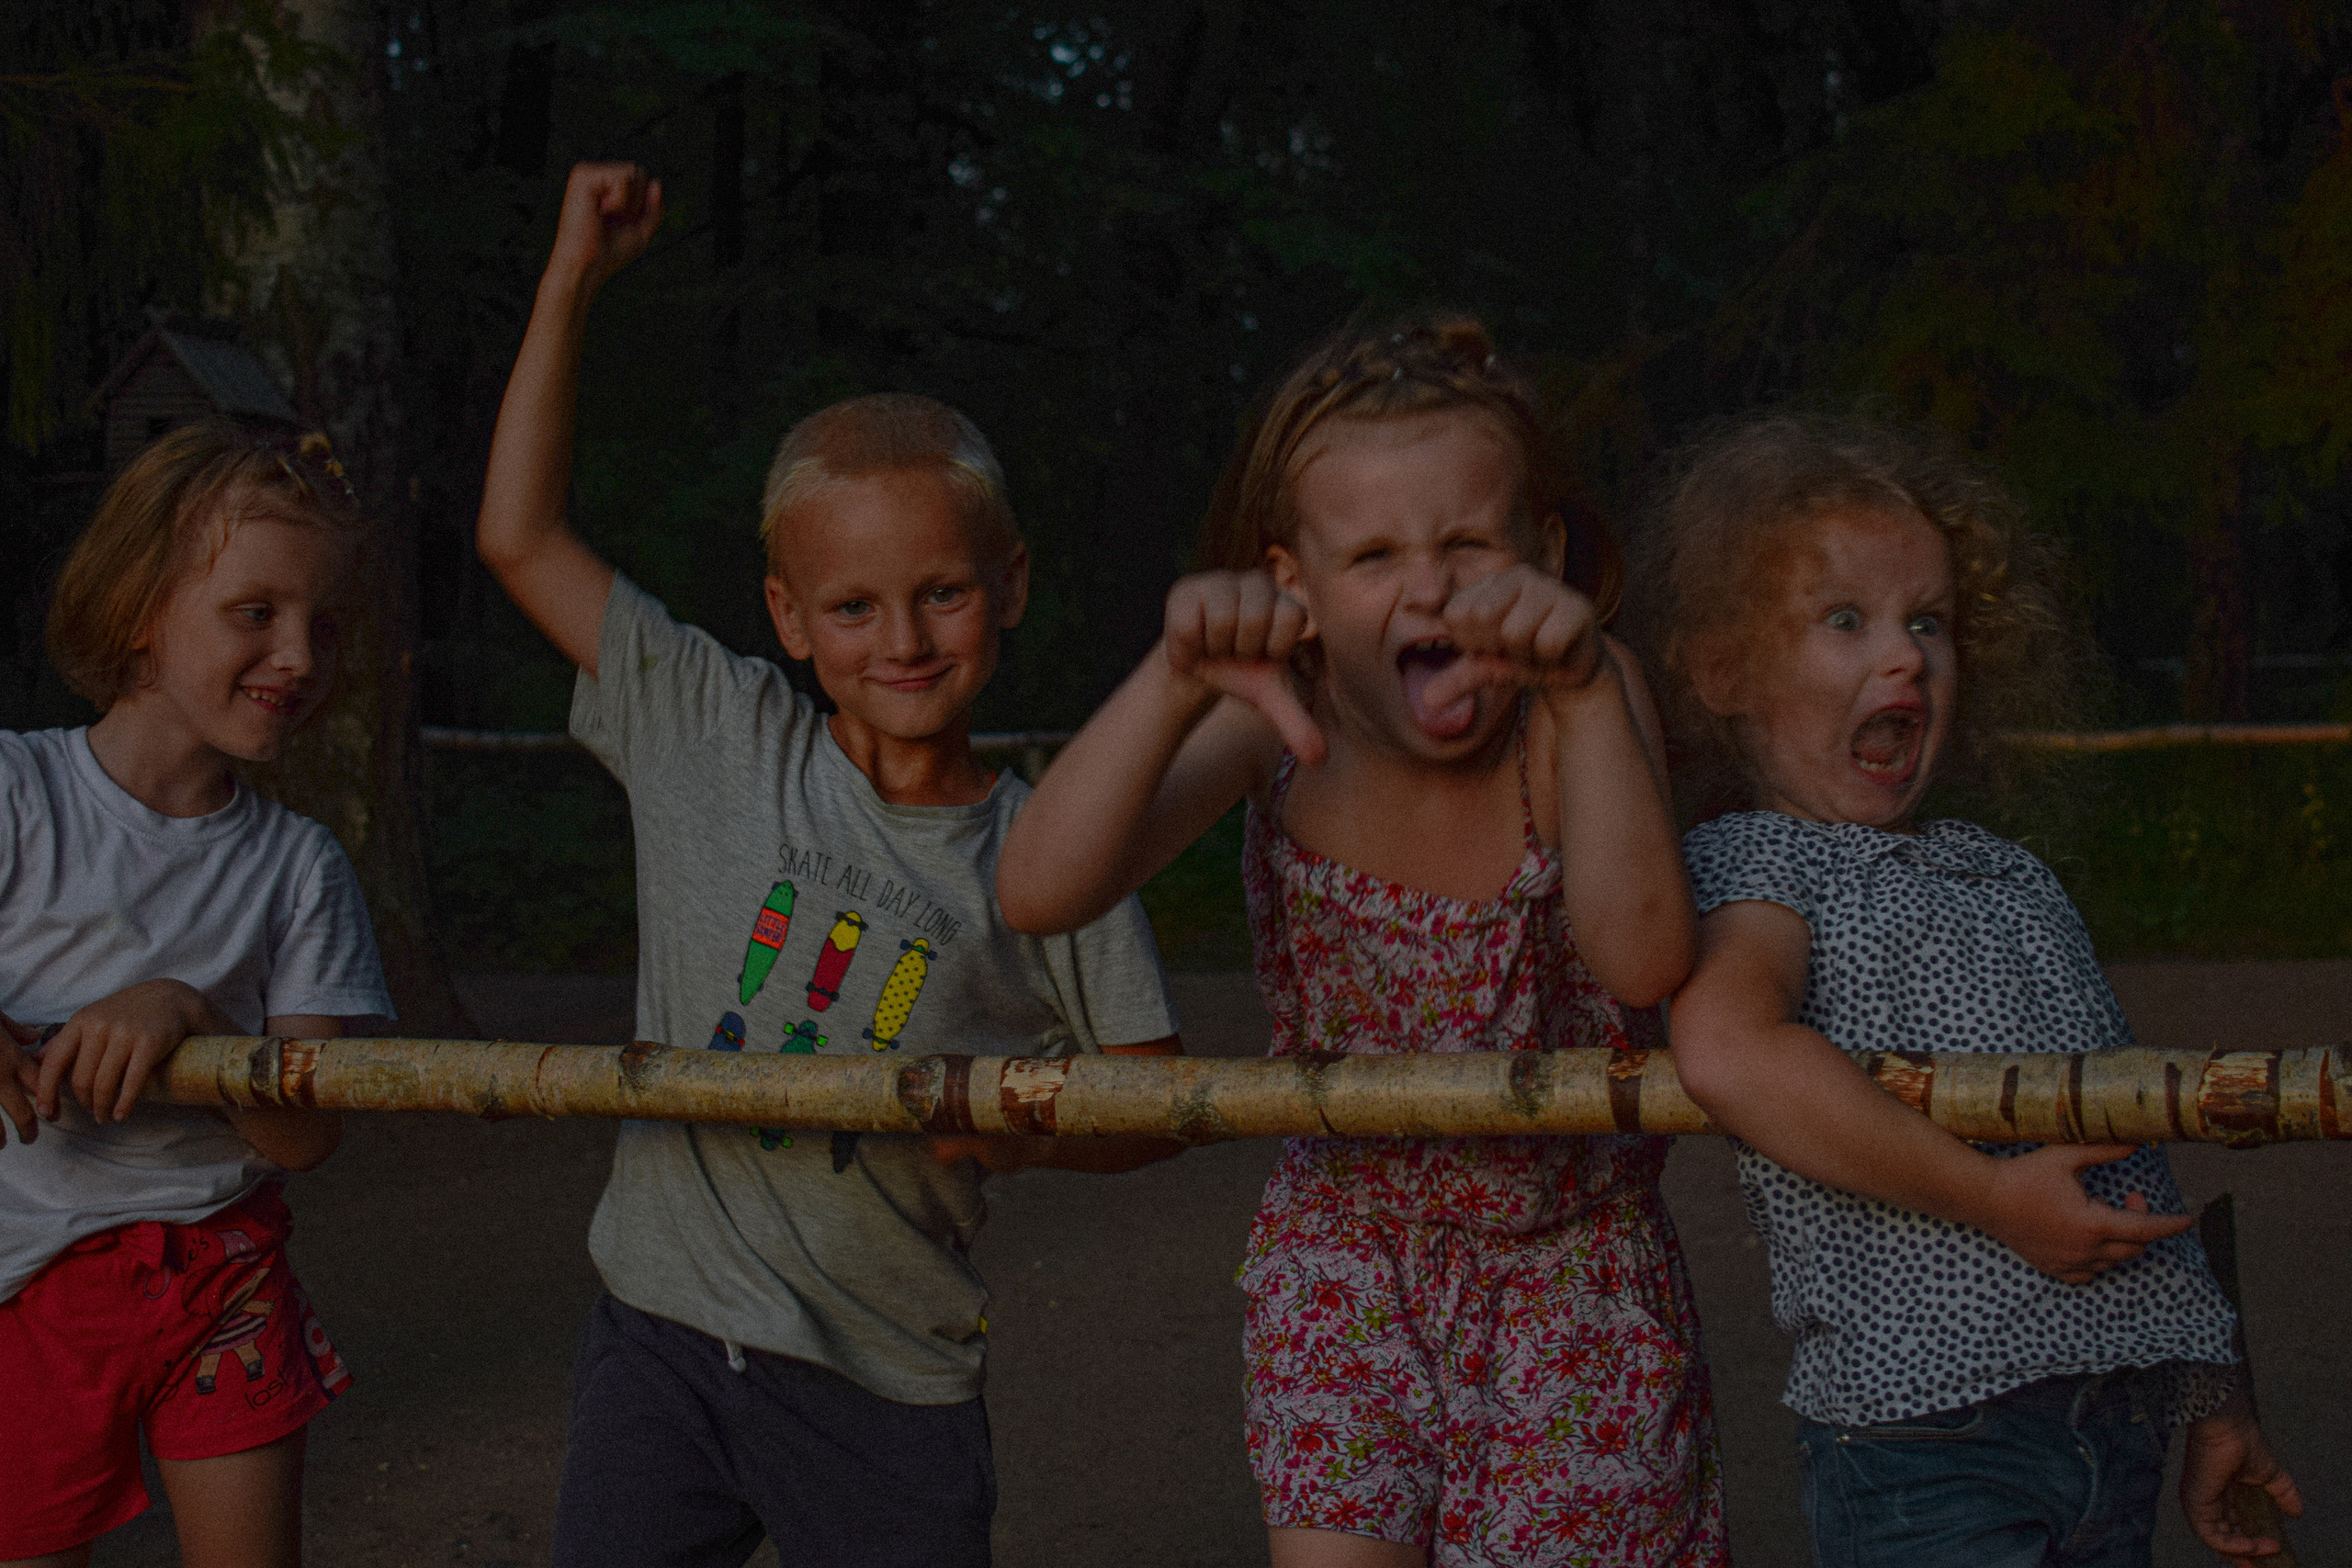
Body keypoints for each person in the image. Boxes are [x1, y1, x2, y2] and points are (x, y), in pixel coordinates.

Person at [476, 161, 1186, 1568]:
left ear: (1012, 586)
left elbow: (1158, 1091)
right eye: (854, 605)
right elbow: (519, 536)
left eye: (942, 591)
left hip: (888, 1364)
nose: (904, 638)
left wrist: (1030, 1127)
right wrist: (569, 285)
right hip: (662, 1331)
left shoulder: (1053, 838)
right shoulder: (713, 729)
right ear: (789, 618)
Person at [996, 318, 1725, 1567]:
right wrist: (1176, 678)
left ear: (1544, 554)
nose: (1427, 586)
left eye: (1467, 543)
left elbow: (1644, 958)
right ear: (1299, 590)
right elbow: (1038, 886)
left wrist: (1593, 690)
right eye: (1375, 552)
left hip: (1571, 1279)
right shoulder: (1277, 712)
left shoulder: (1576, 711)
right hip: (1343, 1256)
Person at [1649, 412, 2303, 1568]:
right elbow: (1729, 1051)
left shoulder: (2012, 878)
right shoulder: (1757, 869)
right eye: (1844, 621)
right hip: (1923, 1442)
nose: (1904, 656)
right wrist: (1991, 1199)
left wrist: (2213, 1395)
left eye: (1930, 621)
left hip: (2115, 1426)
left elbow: (2134, 1157)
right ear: (1724, 668)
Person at [0, 421, 388, 1568]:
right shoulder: (18, 791)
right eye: (255, 613)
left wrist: (193, 1017)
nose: (300, 657)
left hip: (221, 1270)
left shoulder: (299, 868)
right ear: (138, 611)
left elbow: (308, 1133)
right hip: (26, 1283)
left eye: (321, 625)